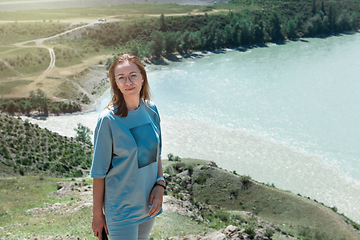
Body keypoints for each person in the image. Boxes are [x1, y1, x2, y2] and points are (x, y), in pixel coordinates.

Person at [90, 54, 165, 240]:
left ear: (142, 77)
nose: (128, 82)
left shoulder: (152, 111)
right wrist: (97, 215)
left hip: (148, 208)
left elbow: (157, 157)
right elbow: (98, 173)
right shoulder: (108, 120)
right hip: (121, 212)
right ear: (115, 83)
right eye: (121, 78)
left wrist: (160, 184)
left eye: (133, 75)